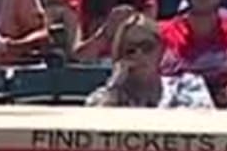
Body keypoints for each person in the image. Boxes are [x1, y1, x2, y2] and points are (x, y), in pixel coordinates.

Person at [87, 10, 215, 104]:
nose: (139, 54)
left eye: (147, 47)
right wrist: (114, 88)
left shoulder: (187, 87)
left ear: (161, 50)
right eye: (130, 50)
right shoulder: (105, 95)